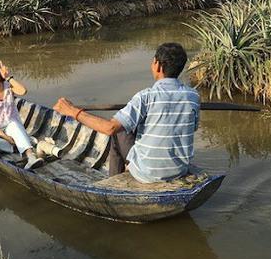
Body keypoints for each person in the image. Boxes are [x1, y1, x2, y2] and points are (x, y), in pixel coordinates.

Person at [53, 42, 199, 183]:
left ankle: (113, 183)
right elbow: (191, 128)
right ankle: (127, 170)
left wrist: (73, 111)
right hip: (179, 170)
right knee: (132, 125)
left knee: (118, 131)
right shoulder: (193, 97)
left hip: (147, 174)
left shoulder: (146, 97)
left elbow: (109, 128)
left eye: (153, 61)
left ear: (158, 66)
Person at [0, 57, 42, 170]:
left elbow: (23, 91)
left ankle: (31, 157)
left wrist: (8, 77)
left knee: (14, 124)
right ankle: (19, 145)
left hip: (11, 124)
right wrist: (7, 138)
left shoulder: (7, 85)